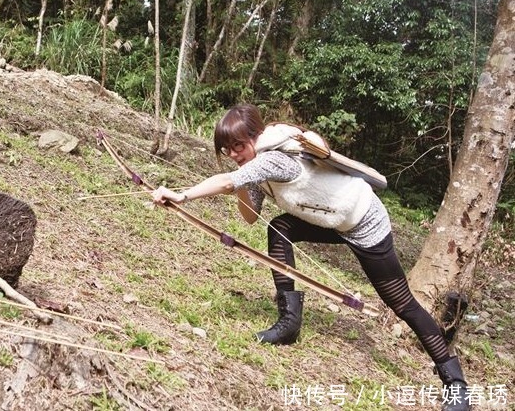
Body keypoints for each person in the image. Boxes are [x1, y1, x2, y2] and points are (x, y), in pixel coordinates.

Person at [151, 104, 471, 411]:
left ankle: (455, 383)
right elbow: (249, 216)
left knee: (402, 304)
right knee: (279, 229)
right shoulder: (255, 170)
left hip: (364, 221)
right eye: (227, 149)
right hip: (333, 220)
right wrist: (242, 183)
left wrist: (183, 194)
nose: (234, 154)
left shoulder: (273, 158)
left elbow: (224, 181)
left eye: (239, 145)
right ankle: (289, 323)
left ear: (255, 136)